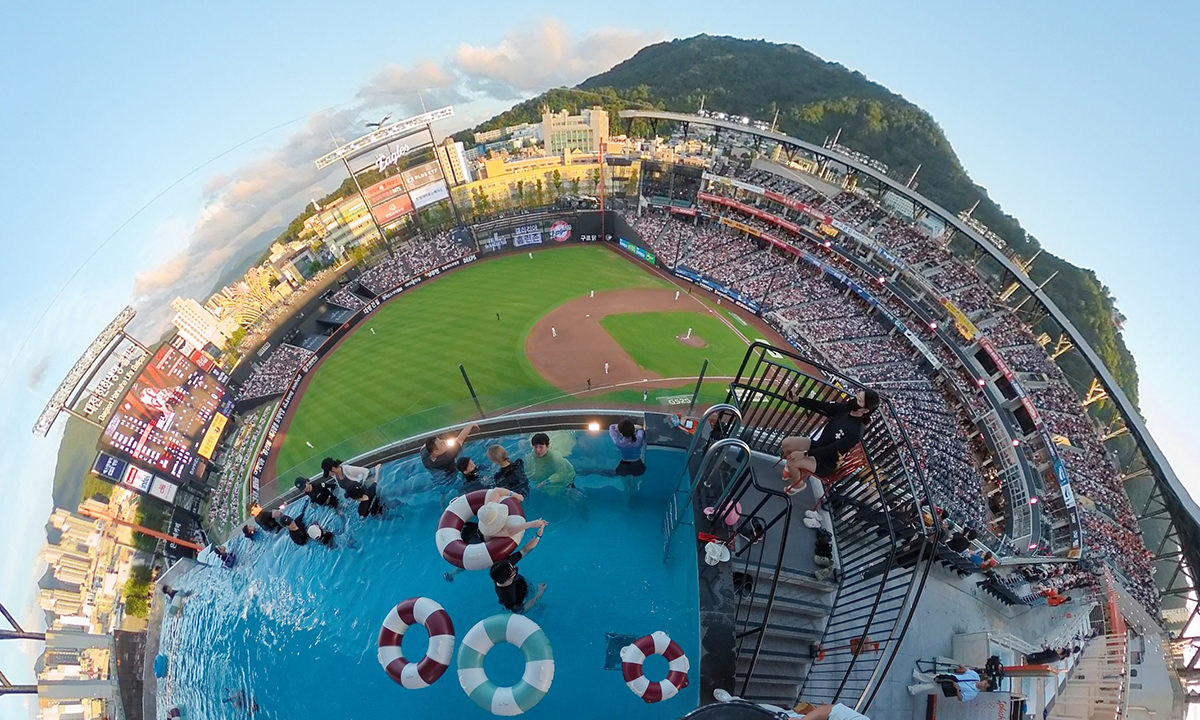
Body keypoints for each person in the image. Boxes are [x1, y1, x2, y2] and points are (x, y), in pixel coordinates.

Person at [779, 388, 879, 495]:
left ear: (865, 410)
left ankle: (799, 484)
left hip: (825, 463)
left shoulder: (855, 432)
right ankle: (797, 471)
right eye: (857, 396)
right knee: (786, 443)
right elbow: (822, 405)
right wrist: (798, 399)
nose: (854, 400)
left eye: (859, 400)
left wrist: (805, 454)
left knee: (792, 461)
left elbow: (831, 449)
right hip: (818, 446)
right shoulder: (845, 408)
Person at [490, 524, 548, 613]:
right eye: (513, 570)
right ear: (509, 579)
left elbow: (524, 550)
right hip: (521, 597)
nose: (514, 566)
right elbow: (521, 610)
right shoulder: (509, 598)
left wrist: (538, 535)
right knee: (541, 605)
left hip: (520, 584)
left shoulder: (504, 567)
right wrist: (539, 593)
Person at [477, 488, 548, 541]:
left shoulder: (487, 509)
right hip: (484, 541)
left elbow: (496, 491)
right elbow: (509, 531)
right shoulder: (491, 532)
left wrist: (517, 495)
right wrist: (531, 524)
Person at [909, 665, 992, 701]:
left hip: (950, 688)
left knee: (930, 687)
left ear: (984, 690)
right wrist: (962, 666)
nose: (982, 685)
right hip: (950, 678)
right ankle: (917, 675)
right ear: (984, 680)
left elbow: (961, 698)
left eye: (984, 687)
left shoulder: (973, 694)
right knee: (933, 677)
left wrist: (958, 690)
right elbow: (967, 670)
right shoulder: (975, 676)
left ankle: (913, 690)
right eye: (985, 683)